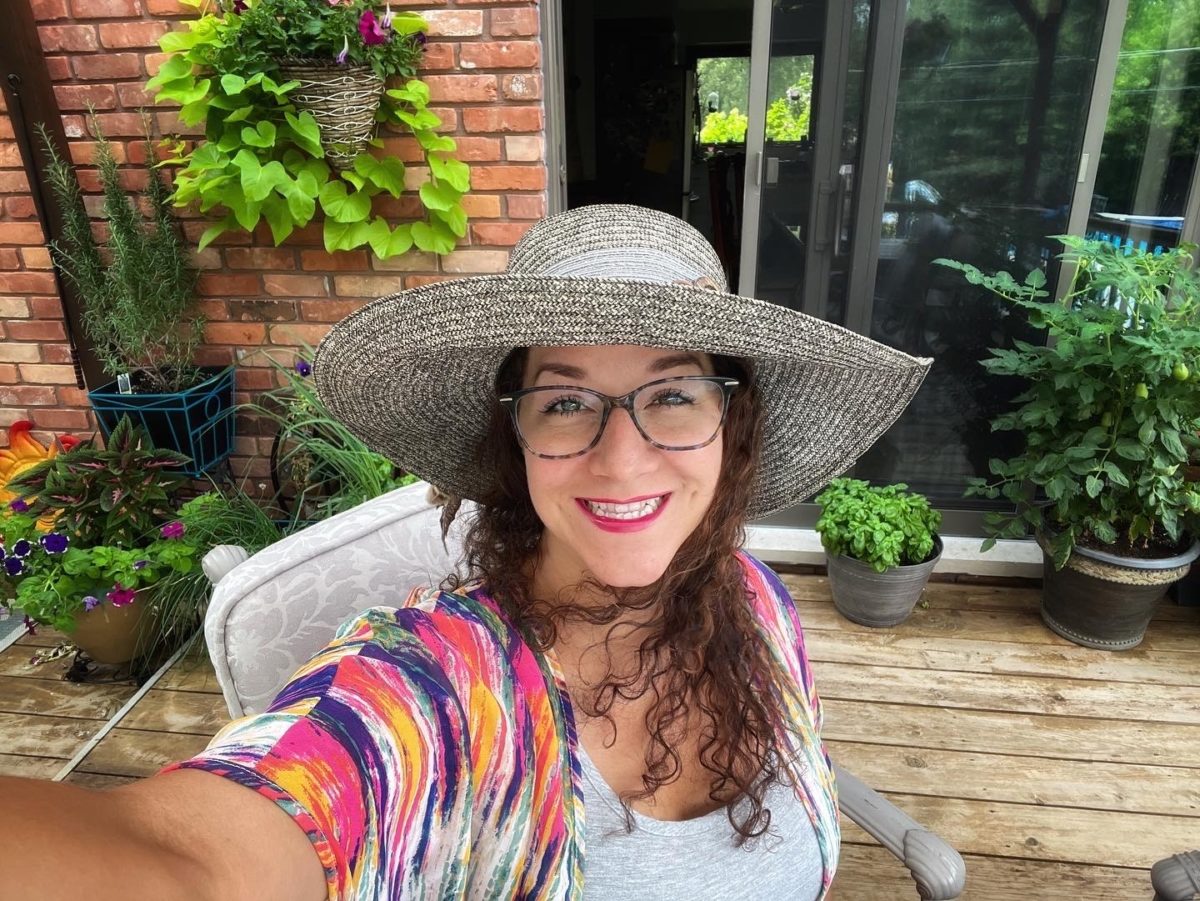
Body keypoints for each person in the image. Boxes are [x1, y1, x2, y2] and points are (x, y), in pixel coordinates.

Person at [1, 204, 930, 900]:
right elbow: (198, 861)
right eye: (565, 400)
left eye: (674, 392)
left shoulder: (760, 603)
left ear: (735, 420)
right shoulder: (438, 686)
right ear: (513, 436)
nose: (622, 457)